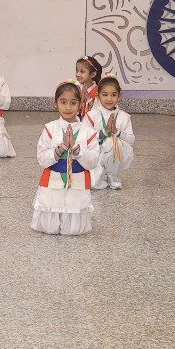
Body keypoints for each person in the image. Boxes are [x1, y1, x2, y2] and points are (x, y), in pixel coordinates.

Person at [31, 80, 103, 236]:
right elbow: (42, 159)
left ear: (80, 104)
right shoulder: (49, 129)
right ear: (55, 103)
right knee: (49, 228)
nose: (68, 107)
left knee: (73, 230)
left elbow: (92, 162)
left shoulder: (89, 133)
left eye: (73, 103)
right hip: (52, 182)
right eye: (63, 102)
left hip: (78, 182)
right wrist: (62, 148)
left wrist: (76, 149)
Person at [88, 75, 135, 190]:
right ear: (98, 96)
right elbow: (85, 139)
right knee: (93, 184)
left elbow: (131, 140)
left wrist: (116, 132)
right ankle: (100, 173)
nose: (109, 99)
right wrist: (104, 133)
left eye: (113, 95)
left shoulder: (124, 116)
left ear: (119, 97)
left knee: (110, 142)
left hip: (115, 154)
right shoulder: (91, 115)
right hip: (94, 154)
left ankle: (111, 175)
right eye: (105, 95)